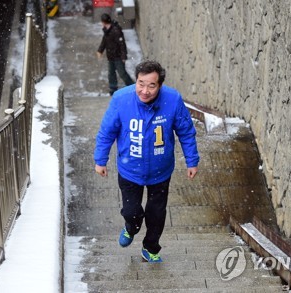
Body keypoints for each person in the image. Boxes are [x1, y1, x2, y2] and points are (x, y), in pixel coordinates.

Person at [94, 60, 199, 262]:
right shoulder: (121, 99)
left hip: (161, 171)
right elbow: (107, 132)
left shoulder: (173, 100)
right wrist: (101, 160)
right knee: (132, 212)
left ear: (160, 85)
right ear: (136, 81)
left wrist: (191, 161)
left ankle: (150, 248)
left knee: (157, 215)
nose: (144, 91)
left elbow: (186, 132)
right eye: (141, 83)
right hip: (129, 169)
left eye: (151, 85)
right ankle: (130, 228)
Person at [97, 13, 134, 96]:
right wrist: (100, 50)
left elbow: (122, 44)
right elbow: (104, 41)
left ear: (104, 22)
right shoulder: (106, 30)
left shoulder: (116, 30)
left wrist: (123, 56)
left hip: (118, 56)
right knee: (111, 73)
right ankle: (113, 88)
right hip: (111, 56)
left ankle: (133, 86)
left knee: (122, 73)